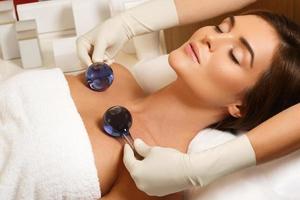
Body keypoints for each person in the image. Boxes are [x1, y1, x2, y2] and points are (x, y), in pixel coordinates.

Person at [76, 0, 300, 197]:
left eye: (234, 55)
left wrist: (196, 170)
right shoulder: (115, 75)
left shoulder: (144, 177)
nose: (211, 38)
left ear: (241, 106)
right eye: (220, 28)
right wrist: (128, 22)